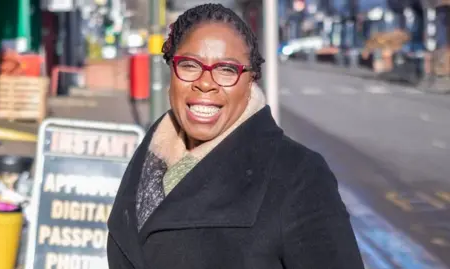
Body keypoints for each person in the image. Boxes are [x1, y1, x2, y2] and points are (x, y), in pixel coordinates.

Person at [107, 3, 364, 269]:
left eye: (226, 70)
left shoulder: (298, 175)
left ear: (251, 80)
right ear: (171, 69)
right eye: (190, 65)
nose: (205, 82)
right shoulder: (148, 160)